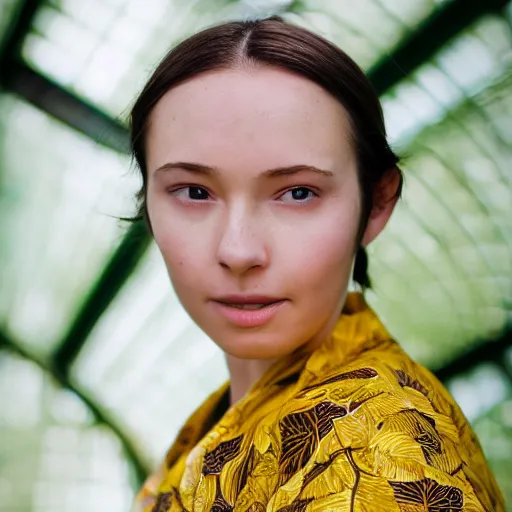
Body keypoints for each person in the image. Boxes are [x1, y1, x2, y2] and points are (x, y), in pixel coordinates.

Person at [130, 16, 504, 512]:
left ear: (376, 203)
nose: (239, 251)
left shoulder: (373, 459)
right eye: (195, 192)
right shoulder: (226, 418)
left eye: (298, 193)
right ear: (148, 203)